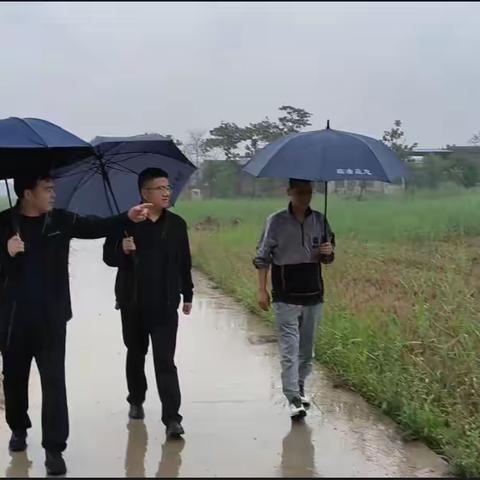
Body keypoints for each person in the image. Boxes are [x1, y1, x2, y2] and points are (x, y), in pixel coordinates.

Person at [0, 173, 152, 476]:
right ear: (28, 193)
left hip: (52, 317)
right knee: (14, 379)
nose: (54, 194)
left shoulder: (60, 221)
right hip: (12, 318)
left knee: (54, 382)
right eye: (47, 189)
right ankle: (18, 427)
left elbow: (95, 226)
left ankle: (54, 448)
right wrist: (6, 252)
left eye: (53, 188)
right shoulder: (2, 223)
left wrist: (128, 215)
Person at [103, 167, 193, 440]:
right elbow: (108, 257)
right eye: (159, 188)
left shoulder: (176, 224)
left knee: (165, 361)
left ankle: (172, 419)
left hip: (165, 303)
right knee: (136, 352)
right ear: (144, 192)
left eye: (167, 188)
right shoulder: (126, 223)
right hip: (133, 302)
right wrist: (123, 250)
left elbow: (184, 262)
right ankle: (136, 399)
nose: (166, 192)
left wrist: (187, 294)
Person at [253, 178, 335, 419]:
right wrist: (262, 289)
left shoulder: (320, 220)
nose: (304, 197)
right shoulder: (276, 222)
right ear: (289, 192)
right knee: (290, 348)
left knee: (306, 351)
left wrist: (328, 253)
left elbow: (328, 257)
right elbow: (262, 257)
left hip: (313, 293)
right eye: (300, 192)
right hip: (285, 295)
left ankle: (299, 388)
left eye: (308, 192)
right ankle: (292, 398)